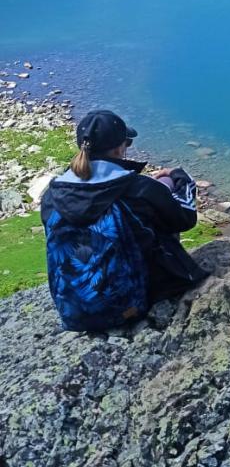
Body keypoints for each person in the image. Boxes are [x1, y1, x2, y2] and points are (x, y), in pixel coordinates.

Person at [41, 109, 208, 331]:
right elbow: (185, 218)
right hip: (127, 308)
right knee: (159, 216)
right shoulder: (138, 189)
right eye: (127, 143)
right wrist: (178, 178)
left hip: (73, 313)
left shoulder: (52, 194)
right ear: (119, 148)